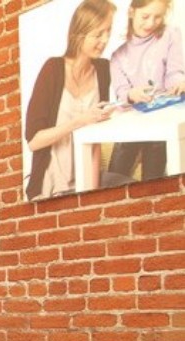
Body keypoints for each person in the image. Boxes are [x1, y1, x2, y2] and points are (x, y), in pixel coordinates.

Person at [24, 0, 117, 200]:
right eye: (98, 34)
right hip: (50, 187)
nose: (105, 40)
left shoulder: (103, 70)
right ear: (79, 34)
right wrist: (79, 121)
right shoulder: (53, 69)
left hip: (85, 181)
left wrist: (92, 191)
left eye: (108, 31)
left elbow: (95, 139)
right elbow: (34, 141)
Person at [109, 0, 185, 180]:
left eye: (158, 17)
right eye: (145, 16)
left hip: (161, 120)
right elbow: (121, 92)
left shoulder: (170, 35)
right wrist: (131, 94)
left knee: (153, 178)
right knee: (114, 177)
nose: (151, 23)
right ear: (131, 12)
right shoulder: (117, 53)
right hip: (131, 122)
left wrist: (179, 83)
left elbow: (174, 71)